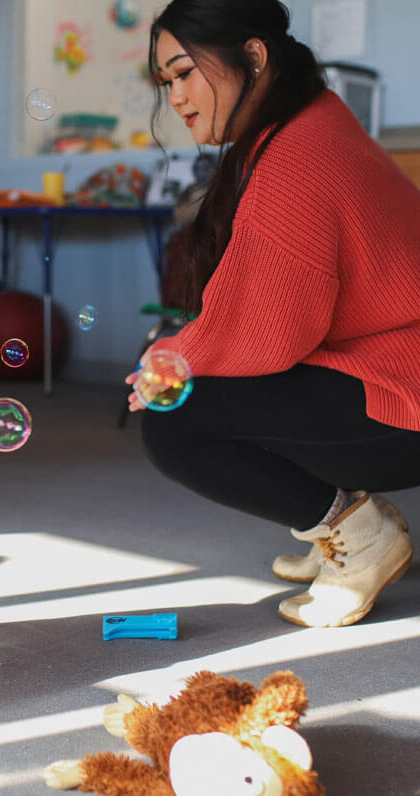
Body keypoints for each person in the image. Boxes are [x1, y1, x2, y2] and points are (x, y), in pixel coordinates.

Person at [127, 0, 420, 628]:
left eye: (184, 72)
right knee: (199, 384)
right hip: (397, 366)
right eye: (166, 81)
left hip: (406, 390)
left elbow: (267, 329)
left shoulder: (295, 155)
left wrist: (170, 361)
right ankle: (348, 521)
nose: (175, 96)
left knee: (174, 419)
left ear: (253, 57)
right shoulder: (313, 120)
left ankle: (359, 534)